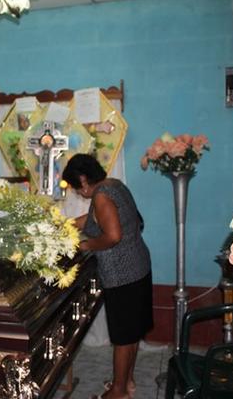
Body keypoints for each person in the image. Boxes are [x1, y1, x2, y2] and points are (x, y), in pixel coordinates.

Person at [62, 154, 153, 399]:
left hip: (122, 274)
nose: (77, 192)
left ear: (83, 180)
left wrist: (86, 246)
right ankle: (127, 382)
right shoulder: (113, 186)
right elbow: (92, 219)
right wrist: (64, 224)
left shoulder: (101, 196)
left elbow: (112, 236)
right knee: (132, 332)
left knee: (123, 336)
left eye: (75, 186)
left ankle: (118, 392)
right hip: (138, 266)